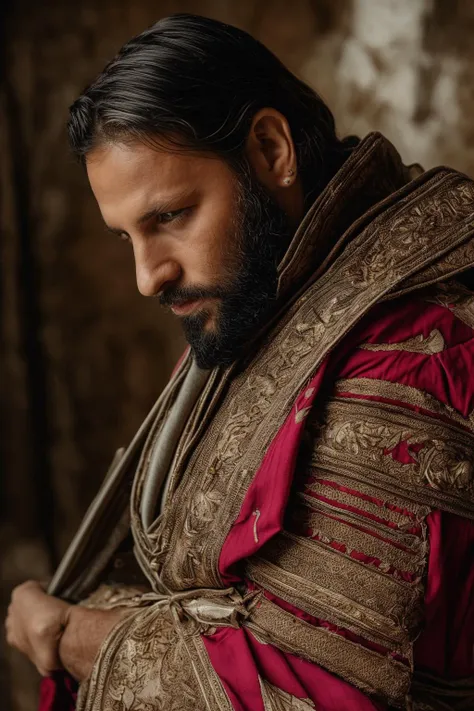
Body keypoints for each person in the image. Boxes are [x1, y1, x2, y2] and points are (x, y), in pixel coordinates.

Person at [5, 13, 474, 711]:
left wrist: (71, 634)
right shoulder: (263, 307)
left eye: (171, 215)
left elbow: (314, 685)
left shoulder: (410, 351)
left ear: (271, 148)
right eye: (126, 236)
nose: (147, 276)